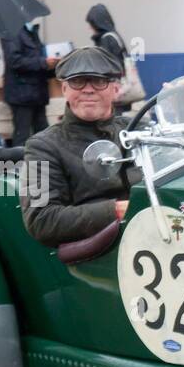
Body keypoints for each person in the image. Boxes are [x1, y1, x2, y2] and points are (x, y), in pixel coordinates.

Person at [21, 47, 136, 247]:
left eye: (99, 81)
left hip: (148, 238)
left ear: (115, 89)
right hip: (93, 249)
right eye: (77, 81)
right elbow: (41, 219)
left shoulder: (134, 130)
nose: (88, 89)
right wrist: (116, 210)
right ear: (64, 89)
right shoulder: (43, 146)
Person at [1, 21, 56, 146]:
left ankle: (44, 163)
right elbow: (14, 61)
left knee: (43, 135)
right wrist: (43, 63)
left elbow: (37, 56)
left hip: (37, 92)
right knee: (22, 135)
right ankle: (19, 164)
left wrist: (51, 66)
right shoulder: (12, 31)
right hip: (21, 94)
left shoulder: (32, 31)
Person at [86, 4, 134, 110]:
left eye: (91, 24)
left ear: (97, 23)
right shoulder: (114, 36)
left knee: (113, 122)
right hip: (119, 90)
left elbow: (105, 67)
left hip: (113, 92)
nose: (89, 27)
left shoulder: (106, 39)